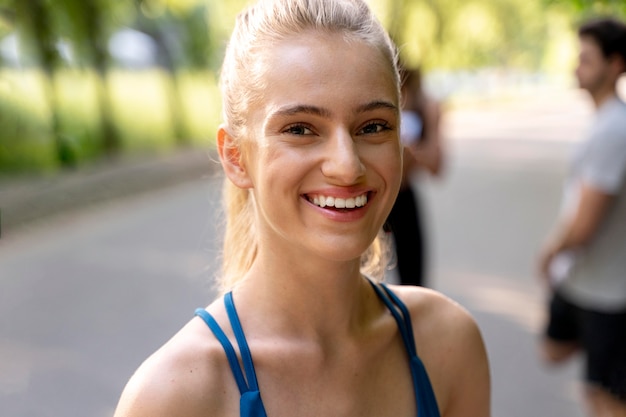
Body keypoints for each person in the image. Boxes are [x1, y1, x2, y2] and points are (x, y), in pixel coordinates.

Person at [113, 1, 490, 416]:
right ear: (236, 157)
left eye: (373, 126)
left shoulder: (449, 345)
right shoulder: (173, 396)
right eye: (300, 129)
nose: (347, 166)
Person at [537, 17, 626, 417]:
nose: (577, 66)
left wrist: (550, 252)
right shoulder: (606, 122)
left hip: (608, 292)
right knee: (554, 350)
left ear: (616, 64)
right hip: (583, 281)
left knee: (606, 398)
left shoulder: (614, 130)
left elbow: (586, 223)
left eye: (587, 59)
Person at [386, 66, 444, 287]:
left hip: (403, 198)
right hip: (368, 196)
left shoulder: (425, 107)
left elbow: (436, 166)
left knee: (413, 283)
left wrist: (411, 154)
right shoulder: (371, 96)